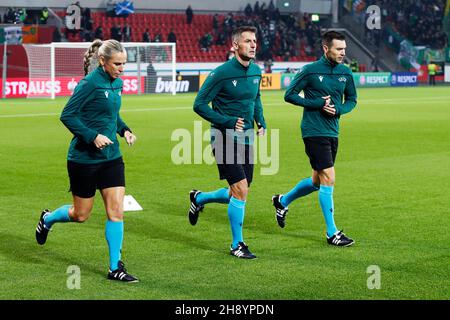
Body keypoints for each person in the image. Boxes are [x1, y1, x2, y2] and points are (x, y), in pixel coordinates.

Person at [35, 39, 139, 282]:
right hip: (84, 159)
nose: (121, 68)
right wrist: (92, 137)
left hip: (112, 158)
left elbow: (112, 114)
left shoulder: (118, 84)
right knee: (81, 215)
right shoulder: (89, 84)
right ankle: (48, 219)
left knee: (116, 212)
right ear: (102, 61)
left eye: (124, 64)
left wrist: (125, 131)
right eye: (117, 64)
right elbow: (67, 115)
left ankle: (115, 267)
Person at [272, 30, 357, 247]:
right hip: (313, 130)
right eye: (338, 49)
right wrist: (317, 103)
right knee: (329, 176)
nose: (342, 53)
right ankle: (332, 233)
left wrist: (338, 109)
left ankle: (282, 201)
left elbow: (352, 100)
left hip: (332, 131)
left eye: (344, 49)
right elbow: (289, 94)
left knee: (317, 181)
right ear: (325, 48)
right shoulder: (310, 70)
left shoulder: (345, 73)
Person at [189, 26, 266, 259]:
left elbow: (256, 98)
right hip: (223, 138)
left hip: (247, 137)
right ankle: (237, 244)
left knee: (239, 193)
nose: (253, 45)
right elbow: (199, 104)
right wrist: (228, 121)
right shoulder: (221, 73)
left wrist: (260, 121)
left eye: (254, 41)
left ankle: (199, 198)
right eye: (247, 41)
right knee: (240, 189)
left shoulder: (256, 71)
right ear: (235, 46)